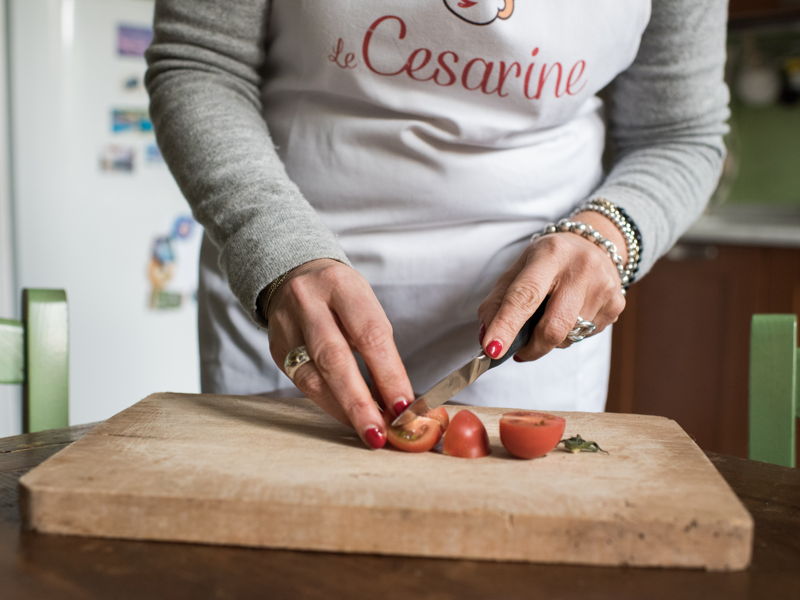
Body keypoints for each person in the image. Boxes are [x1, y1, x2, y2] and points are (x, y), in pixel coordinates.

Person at [145, 0, 729, 450]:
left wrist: (607, 236)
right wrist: (275, 249)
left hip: (529, 331)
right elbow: (201, 62)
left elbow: (679, 133)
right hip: (291, 291)